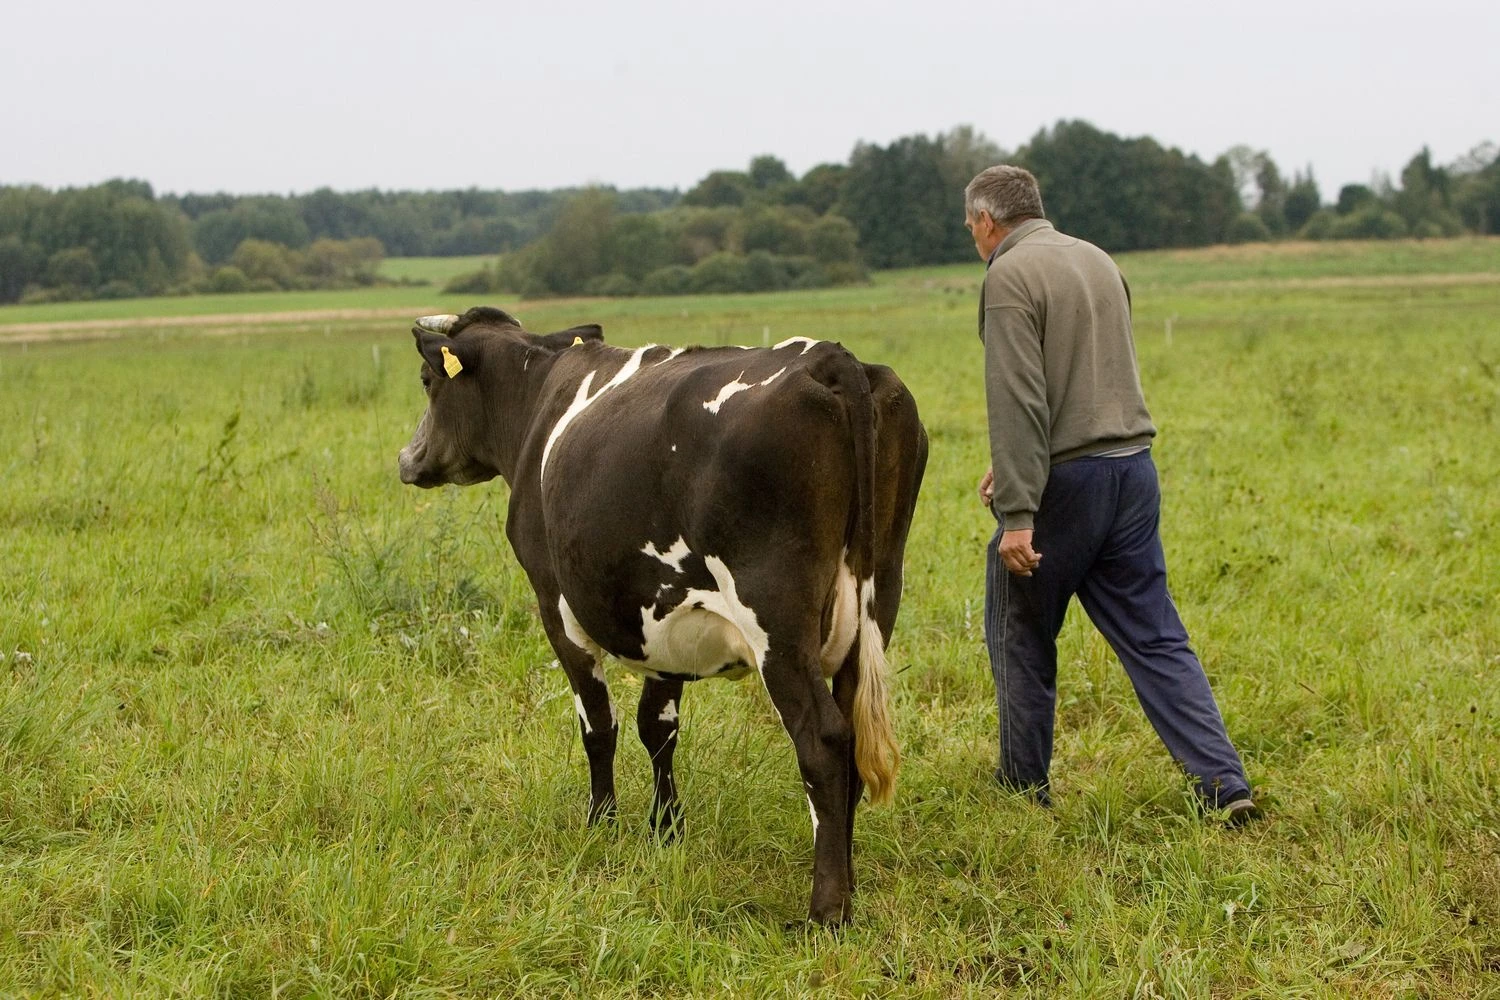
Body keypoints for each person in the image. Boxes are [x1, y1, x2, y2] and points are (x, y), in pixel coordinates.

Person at [965, 164, 1257, 824]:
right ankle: (1223, 786)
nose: (972, 238)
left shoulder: (1008, 277)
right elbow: (1088, 377)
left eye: (970, 228)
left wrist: (1017, 512)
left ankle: (1023, 791)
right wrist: (1010, 464)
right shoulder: (1096, 259)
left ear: (987, 222)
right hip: (1132, 472)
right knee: (1155, 636)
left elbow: (1017, 396)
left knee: (1020, 629)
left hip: (1067, 486)